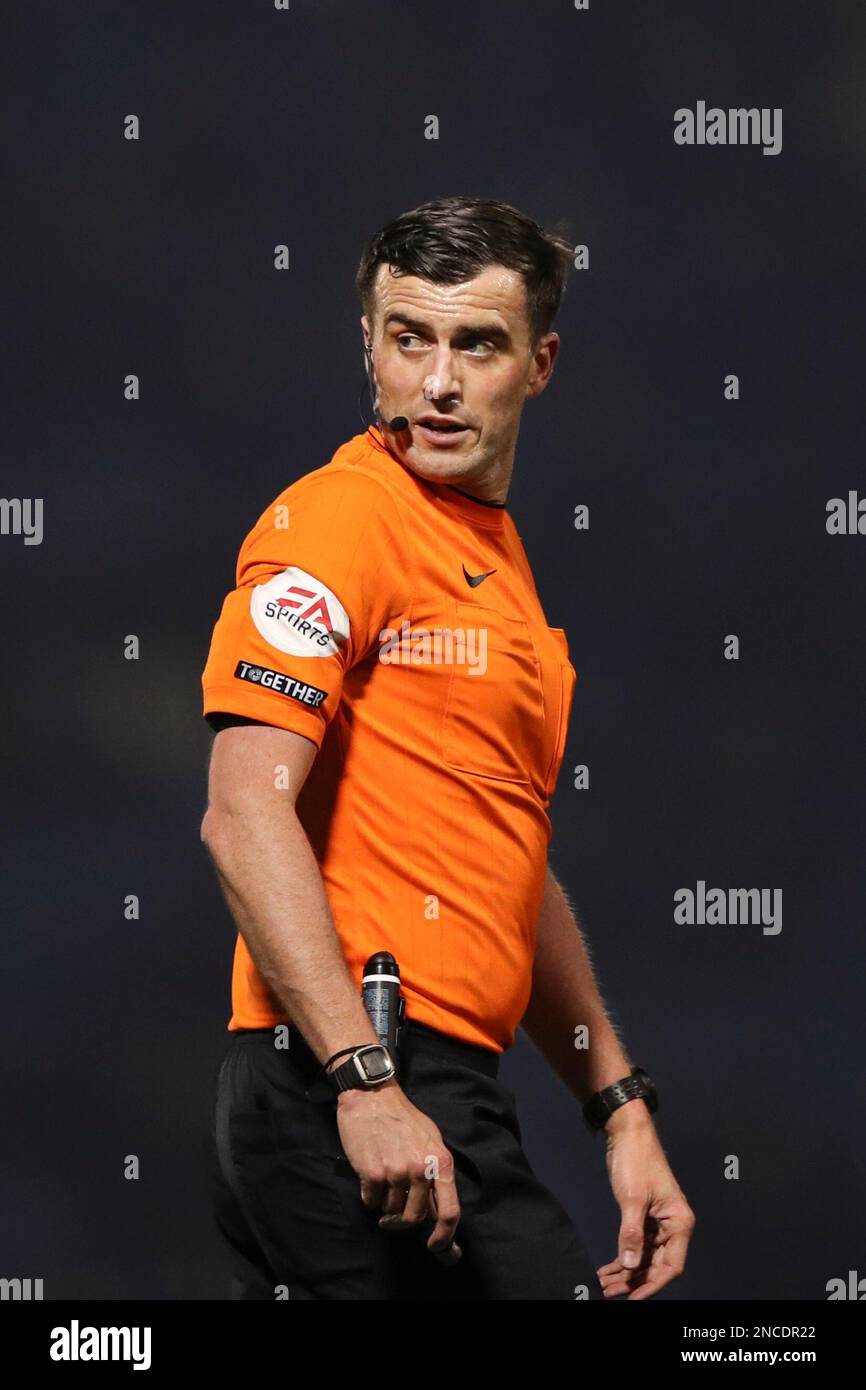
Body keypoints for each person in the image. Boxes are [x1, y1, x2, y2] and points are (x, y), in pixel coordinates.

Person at [199, 195, 695, 1300]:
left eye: (477, 344)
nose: (436, 381)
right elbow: (242, 811)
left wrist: (616, 1103)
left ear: (539, 364)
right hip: (346, 1078)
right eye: (406, 337)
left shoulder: (494, 564)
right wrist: (361, 1077)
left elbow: (507, 862)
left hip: (432, 1086)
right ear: (366, 347)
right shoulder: (339, 521)